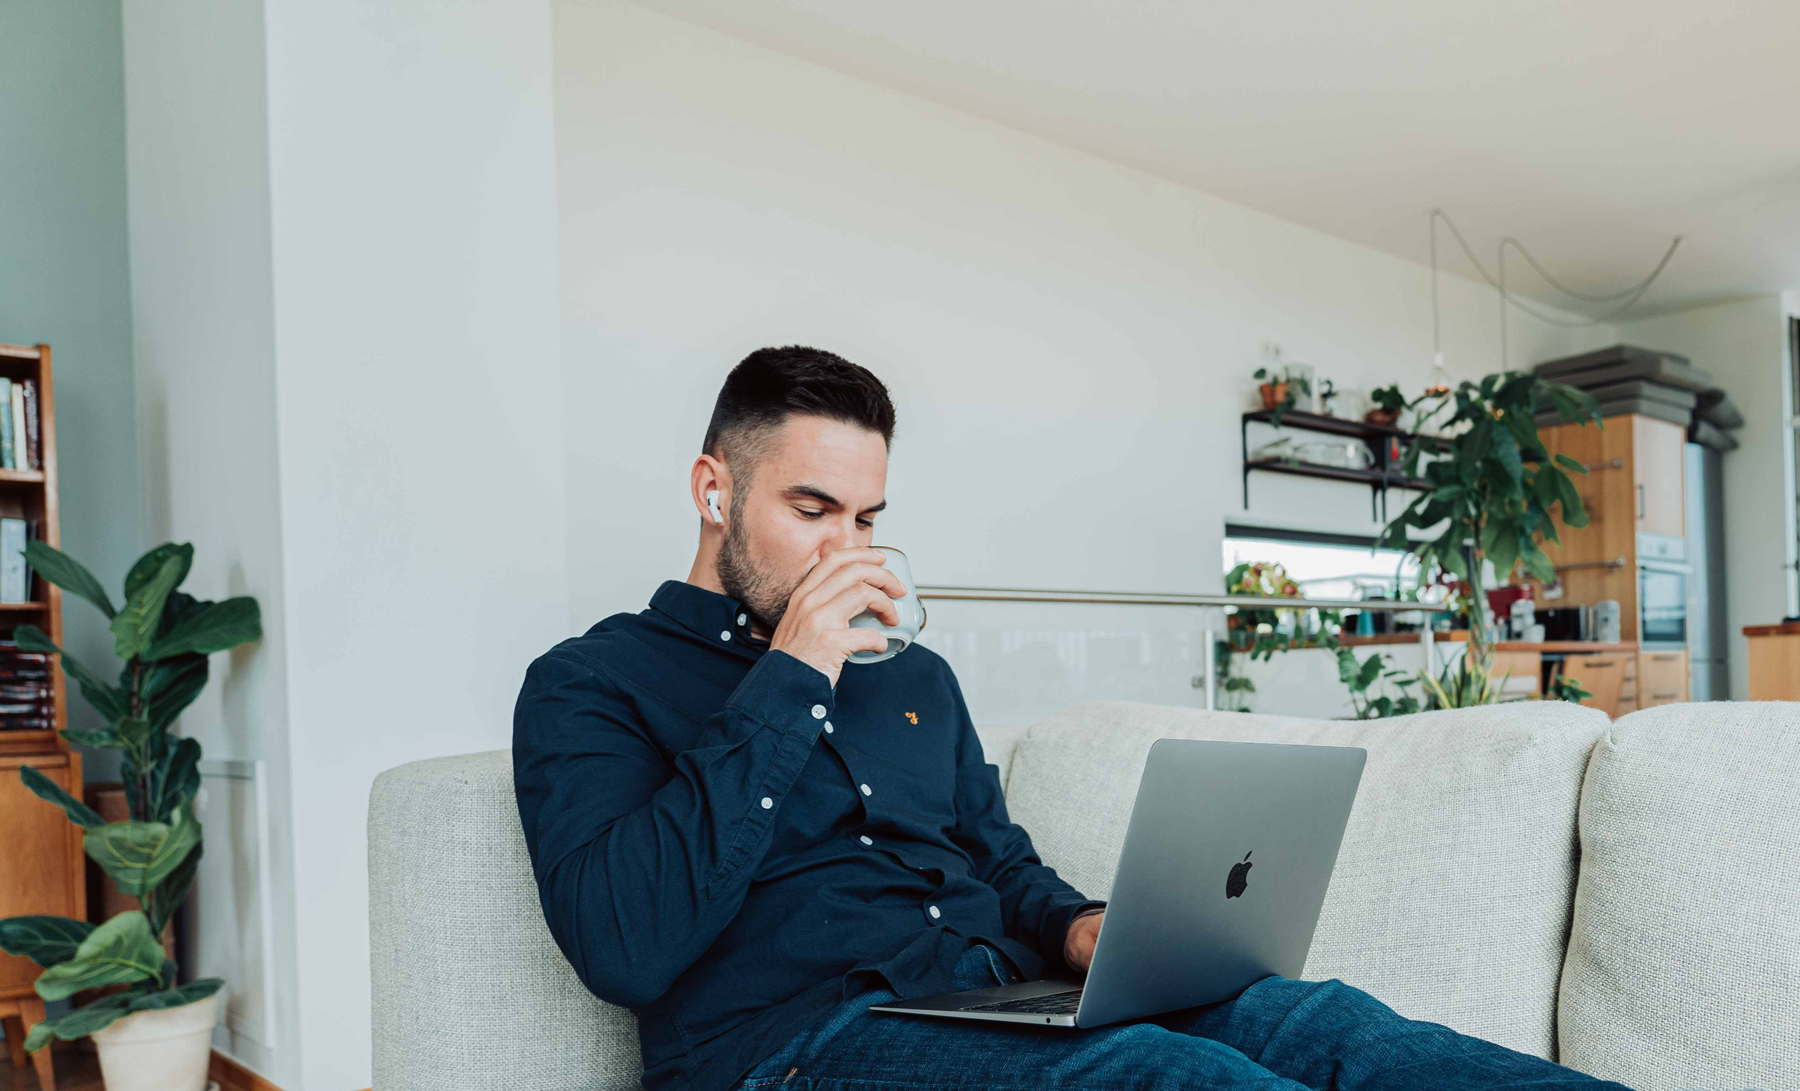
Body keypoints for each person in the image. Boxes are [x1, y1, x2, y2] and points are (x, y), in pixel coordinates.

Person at [512, 346, 1634, 1091]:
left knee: (1323, 1025)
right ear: (714, 490)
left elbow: (997, 861)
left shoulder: (915, 679)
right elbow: (625, 944)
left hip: (997, 1002)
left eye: (866, 515)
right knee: (1174, 1078)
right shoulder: (589, 682)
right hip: (796, 1046)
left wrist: (1081, 925)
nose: (847, 548)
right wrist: (792, 670)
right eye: (811, 509)